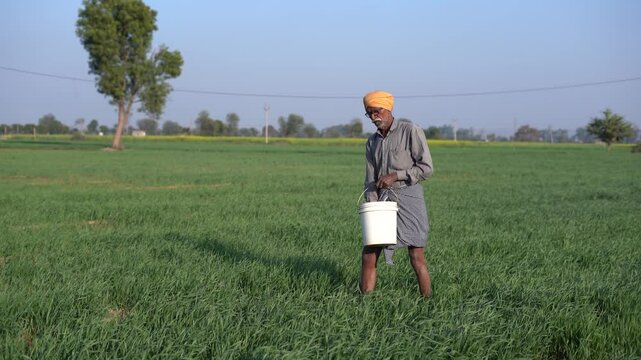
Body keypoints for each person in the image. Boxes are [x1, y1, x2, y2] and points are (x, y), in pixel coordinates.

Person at [360, 90, 434, 297]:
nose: (374, 117)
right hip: (383, 202)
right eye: (370, 113)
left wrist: (396, 175)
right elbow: (370, 179)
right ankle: (364, 303)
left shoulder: (410, 131)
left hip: (409, 198)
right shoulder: (372, 142)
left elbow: (426, 168)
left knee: (416, 255)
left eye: (377, 111)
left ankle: (428, 302)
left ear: (388, 109)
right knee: (369, 253)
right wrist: (372, 206)